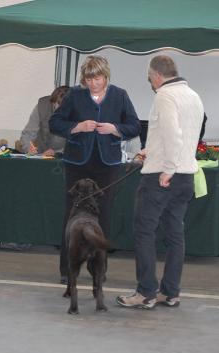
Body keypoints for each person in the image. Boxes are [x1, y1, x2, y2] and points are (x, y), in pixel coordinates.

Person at [116, 55, 204, 309]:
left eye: (150, 79)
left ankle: (146, 292)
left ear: (156, 75)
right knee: (175, 234)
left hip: (162, 178)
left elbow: (173, 135)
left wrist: (167, 169)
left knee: (144, 232)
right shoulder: (193, 96)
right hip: (186, 175)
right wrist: (149, 151)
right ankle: (170, 291)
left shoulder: (164, 96)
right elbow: (180, 136)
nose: (151, 84)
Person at [50, 55, 140, 284]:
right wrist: (76, 127)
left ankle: (99, 270)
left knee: (104, 217)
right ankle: (66, 269)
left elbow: (134, 126)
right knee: (72, 217)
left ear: (106, 76)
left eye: (98, 78)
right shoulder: (75, 95)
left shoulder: (120, 96)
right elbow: (55, 122)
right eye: (89, 79)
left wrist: (115, 129)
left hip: (107, 165)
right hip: (77, 164)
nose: (93, 83)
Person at [19, 86, 70, 156]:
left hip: (64, 156)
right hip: (39, 154)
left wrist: (57, 152)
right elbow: (28, 134)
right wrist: (28, 148)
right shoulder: (42, 106)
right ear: (53, 102)